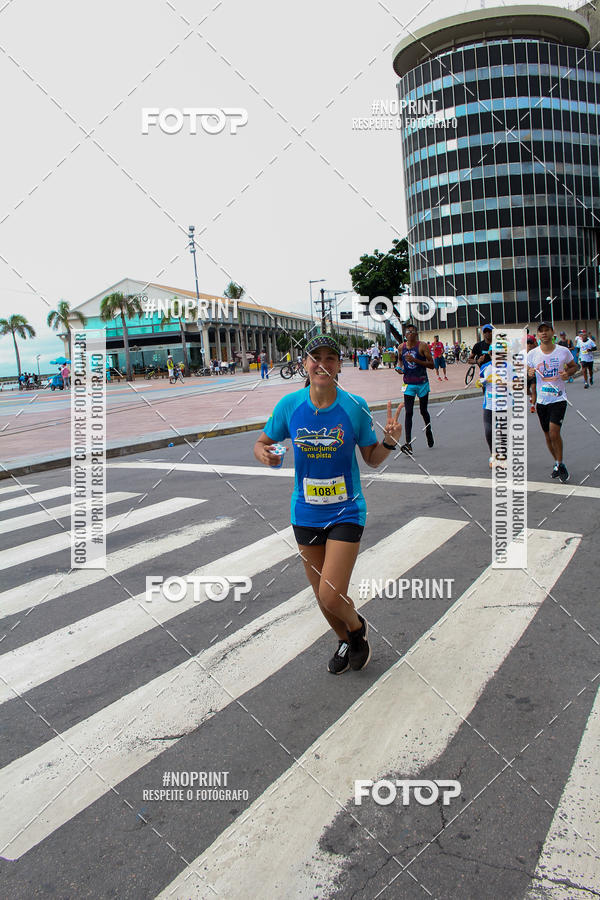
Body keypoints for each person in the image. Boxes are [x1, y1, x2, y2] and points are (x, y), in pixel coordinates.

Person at [253, 333, 403, 674]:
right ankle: (345, 639)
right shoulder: (289, 405)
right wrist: (265, 453)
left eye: (330, 358)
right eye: (315, 357)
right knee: (322, 596)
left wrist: (389, 442)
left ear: (339, 365)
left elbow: (372, 458)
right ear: (305, 364)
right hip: (304, 512)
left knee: (332, 594)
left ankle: (357, 630)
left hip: (346, 510)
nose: (323, 363)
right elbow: (262, 442)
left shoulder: (354, 405)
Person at [527, 321, 578, 483]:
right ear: (538, 335)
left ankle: (561, 464)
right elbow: (527, 373)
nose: (544, 333)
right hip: (542, 401)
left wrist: (568, 373)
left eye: (547, 330)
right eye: (541, 331)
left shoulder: (562, 351)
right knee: (547, 435)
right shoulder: (532, 354)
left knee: (554, 432)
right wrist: (528, 373)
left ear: (552, 332)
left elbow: (574, 367)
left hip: (558, 398)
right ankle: (557, 463)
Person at [397, 323, 434, 454]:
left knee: (423, 411)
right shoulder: (401, 347)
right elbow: (400, 361)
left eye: (413, 331)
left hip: (422, 382)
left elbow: (432, 365)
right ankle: (408, 443)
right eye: (408, 331)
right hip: (408, 384)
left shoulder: (422, 346)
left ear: (416, 334)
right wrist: (399, 368)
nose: (410, 333)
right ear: (405, 334)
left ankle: (428, 431)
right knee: (408, 412)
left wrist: (415, 360)